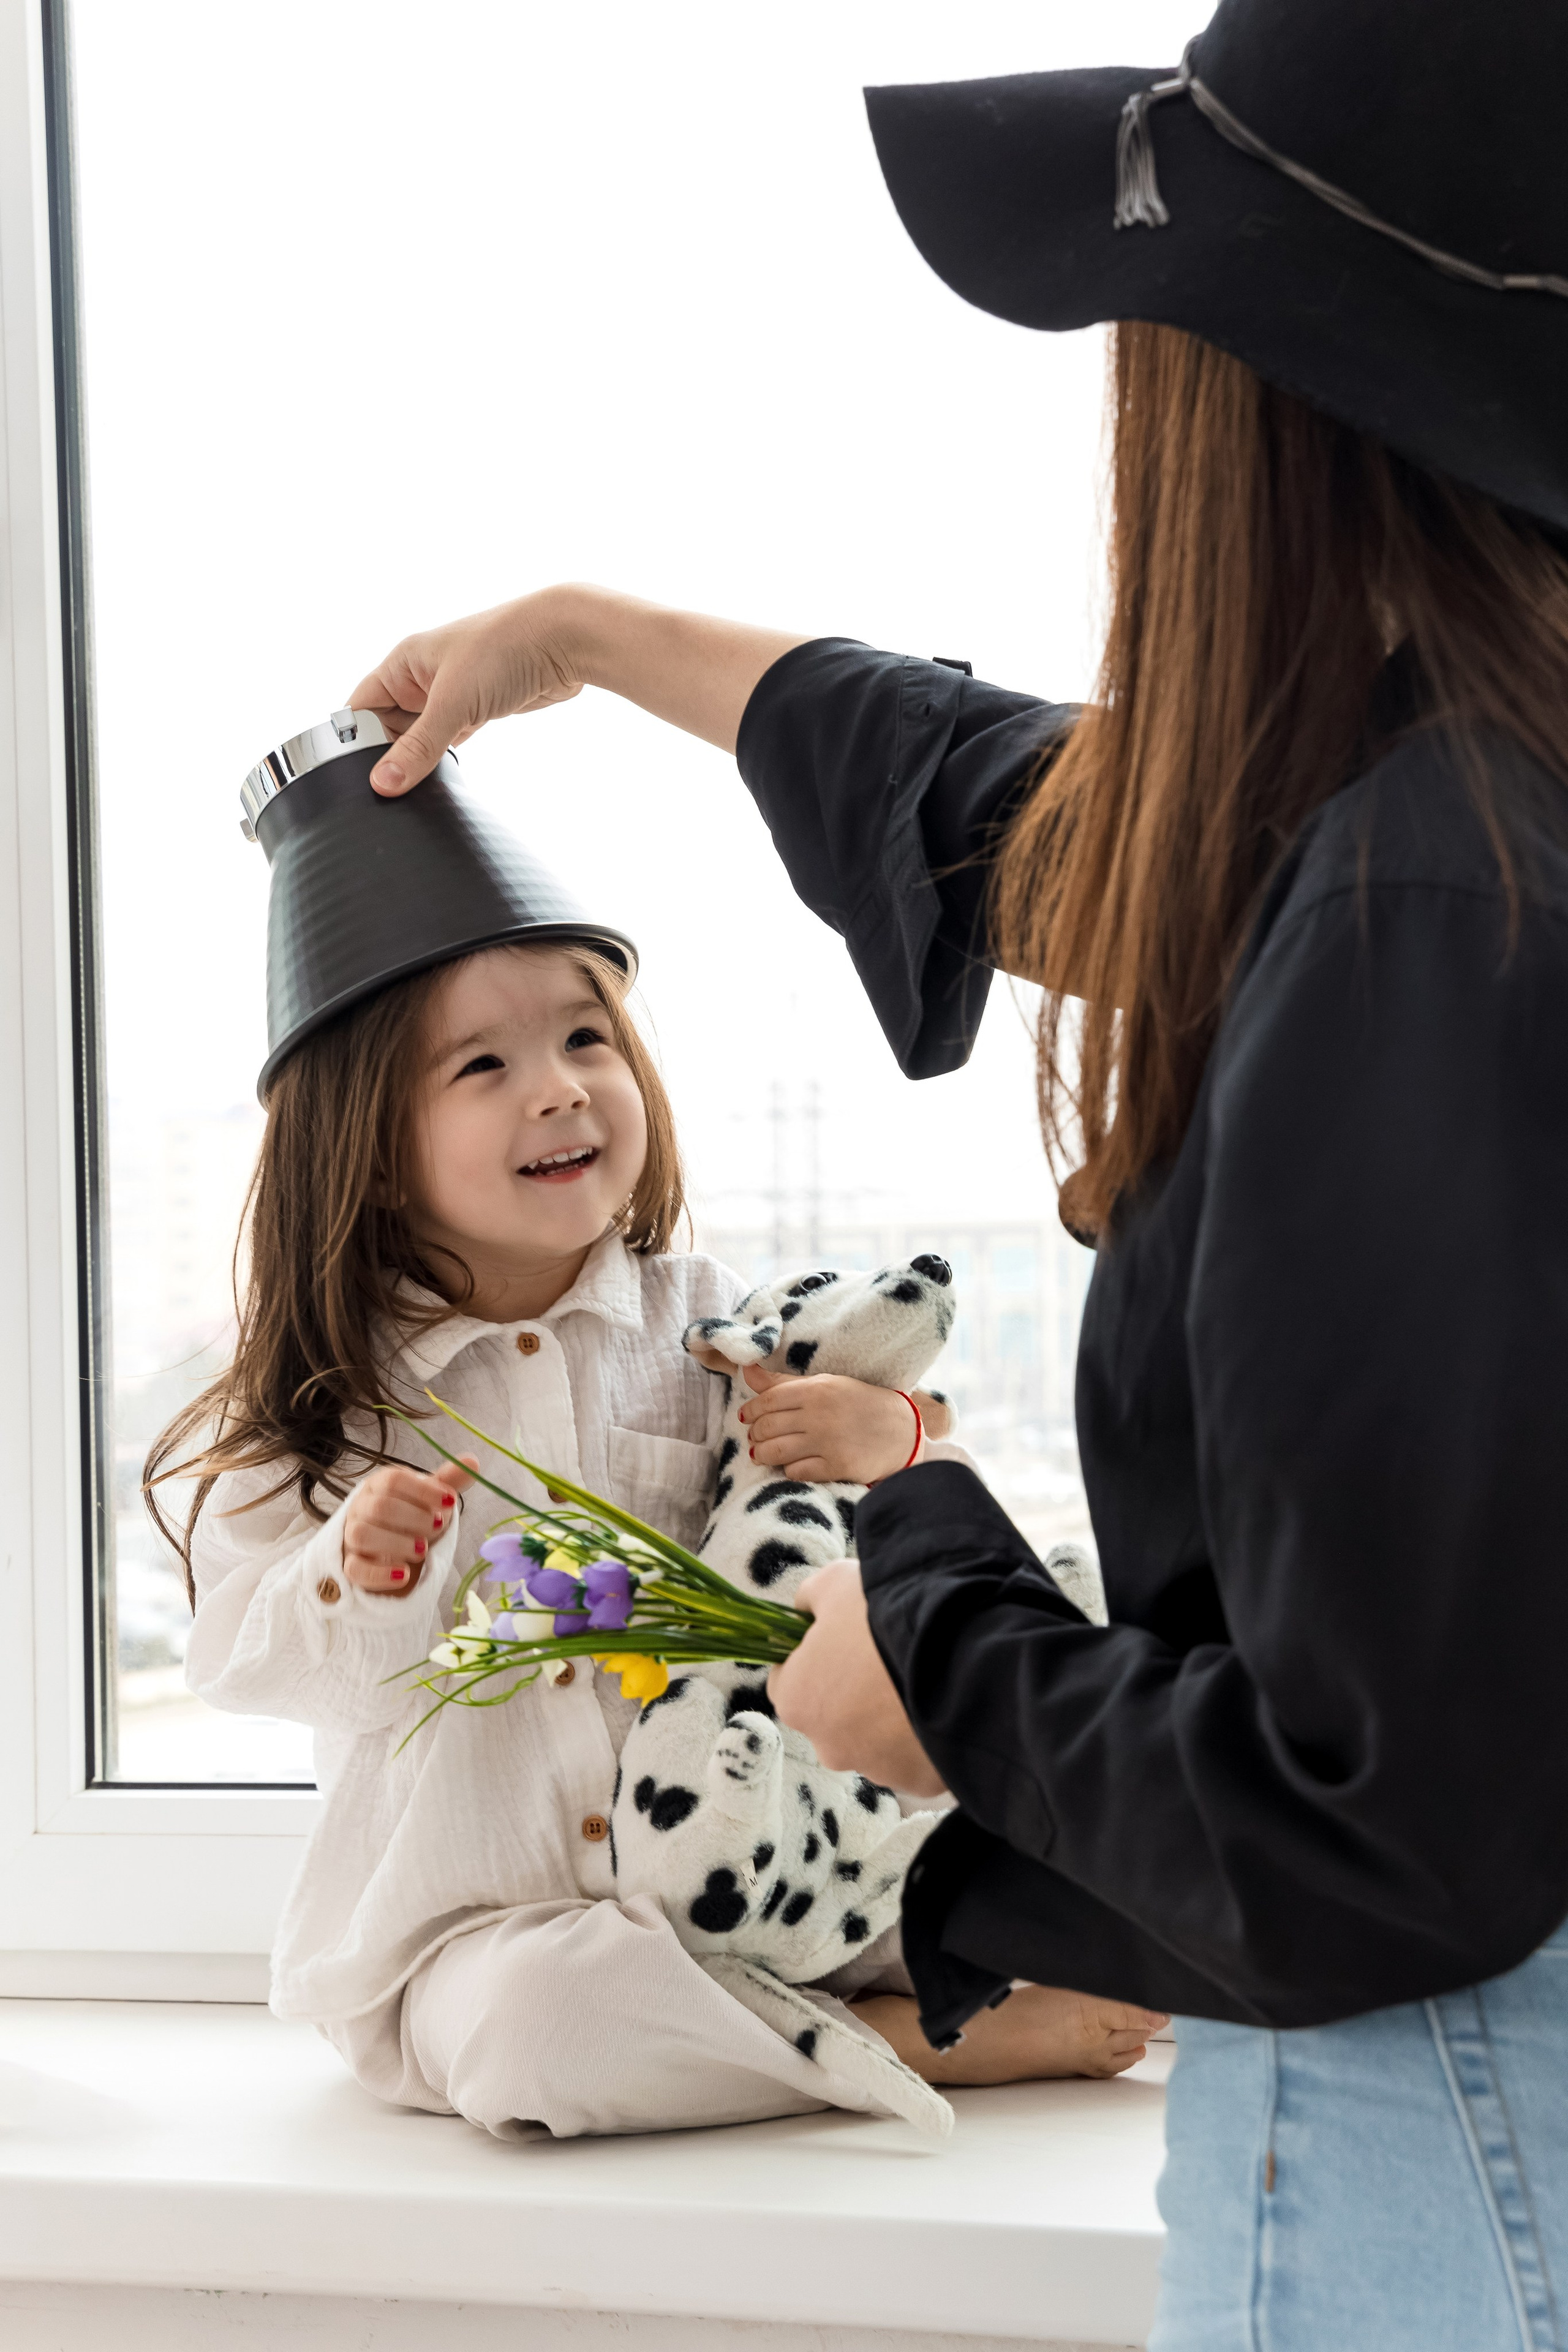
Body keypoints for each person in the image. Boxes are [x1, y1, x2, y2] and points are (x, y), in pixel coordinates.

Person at [342, 0, 1568, 2333]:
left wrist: (933, 1649)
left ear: (1271, 385)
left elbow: (1382, 1825)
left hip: (1464, 2110)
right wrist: (593, 640)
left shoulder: (1441, 911)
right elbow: (1041, 793)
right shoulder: (1458, 801)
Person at [146, 864, 1160, 2139]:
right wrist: (350, 1571)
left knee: (1023, 1874)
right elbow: (246, 1661)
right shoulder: (320, 1401)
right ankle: (908, 2045)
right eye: (482, 1067)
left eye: (585, 1037)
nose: (561, 1084)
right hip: (482, 1939)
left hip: (758, 1874)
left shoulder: (703, 1321)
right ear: (372, 1151)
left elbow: (856, 1521)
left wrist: (888, 1431)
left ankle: (832, 1999)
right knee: (534, 2041)